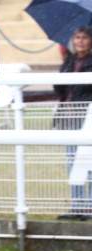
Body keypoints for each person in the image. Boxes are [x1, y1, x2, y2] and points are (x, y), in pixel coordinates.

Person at [54, 27, 92, 220]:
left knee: (89, 163)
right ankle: (78, 205)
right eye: (77, 37)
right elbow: (59, 88)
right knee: (72, 162)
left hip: (87, 119)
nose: (80, 41)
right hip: (69, 119)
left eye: (84, 38)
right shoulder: (69, 60)